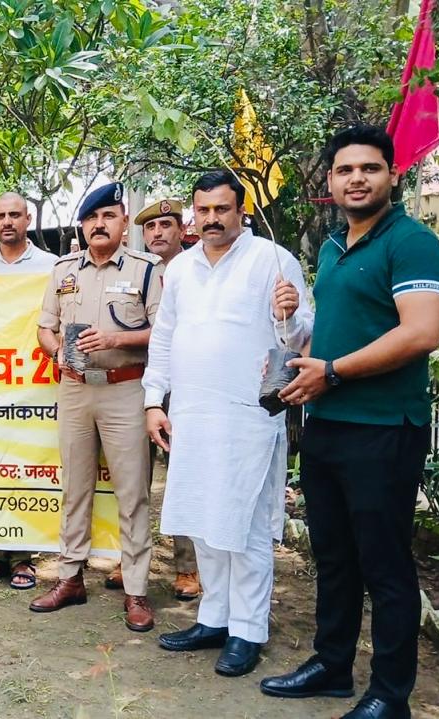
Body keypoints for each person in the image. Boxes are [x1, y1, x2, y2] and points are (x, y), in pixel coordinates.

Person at [260, 125, 439, 719]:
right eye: (345, 171)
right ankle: (332, 665)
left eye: (369, 168)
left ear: (393, 174)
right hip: (329, 423)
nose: (357, 179)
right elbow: (335, 332)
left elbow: (422, 332)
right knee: (335, 555)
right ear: (331, 183)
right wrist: (297, 319)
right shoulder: (335, 247)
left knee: (385, 563)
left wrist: (333, 372)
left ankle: (390, 696)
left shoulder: (412, 242)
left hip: (384, 427)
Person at [143, 173, 314, 678]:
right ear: (192, 214)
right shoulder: (183, 269)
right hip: (193, 415)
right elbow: (165, 337)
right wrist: (155, 401)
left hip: (248, 416)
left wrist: (288, 314)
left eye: (222, 208)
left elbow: (301, 332)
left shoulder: (273, 260)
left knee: (249, 528)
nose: (212, 219)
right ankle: (213, 619)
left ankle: (248, 630)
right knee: (205, 523)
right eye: (204, 210)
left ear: (241, 210)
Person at [29, 182, 164, 633]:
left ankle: (136, 591)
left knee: (132, 494)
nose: (98, 225)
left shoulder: (147, 269)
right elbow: (45, 328)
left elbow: (164, 333)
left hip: (126, 389)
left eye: (108, 216)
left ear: (124, 222)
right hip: (74, 389)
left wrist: (115, 339)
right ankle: (70, 579)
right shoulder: (64, 269)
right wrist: (55, 352)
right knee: (75, 489)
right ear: (83, 225)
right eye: (91, 219)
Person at [0, 192, 58, 591]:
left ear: (28, 218)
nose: (7, 222)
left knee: (25, 463)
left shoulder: (52, 267)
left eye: (15, 215)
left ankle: (24, 556)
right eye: (0, 215)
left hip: (35, 385)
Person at [115, 197, 200, 602]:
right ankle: (128, 560)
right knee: (135, 480)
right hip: (139, 385)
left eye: (166, 225)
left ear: (182, 229)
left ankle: (188, 567)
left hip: (185, 387)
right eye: (150, 227)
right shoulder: (135, 271)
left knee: (183, 475)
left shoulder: (199, 269)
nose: (158, 233)